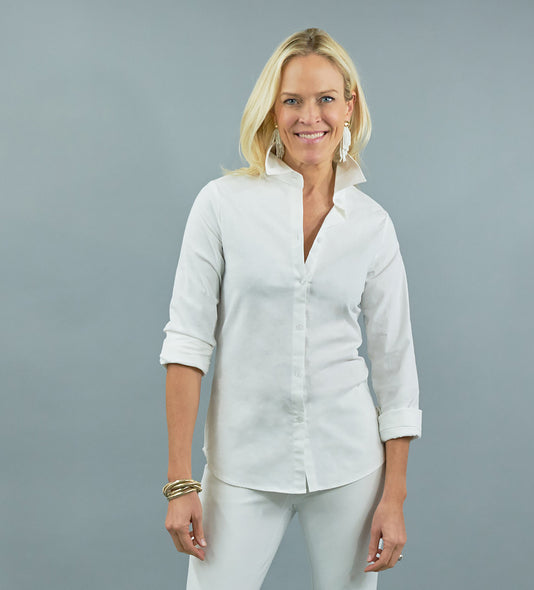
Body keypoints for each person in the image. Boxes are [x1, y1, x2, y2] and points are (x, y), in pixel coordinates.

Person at [159, 27, 422, 590]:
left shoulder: (372, 225)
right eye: (292, 100)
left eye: (326, 98)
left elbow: (395, 367)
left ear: (349, 106)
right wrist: (181, 482)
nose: (310, 117)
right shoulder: (221, 205)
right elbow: (186, 343)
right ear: (272, 110)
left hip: (349, 465)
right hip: (241, 465)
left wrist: (394, 496)